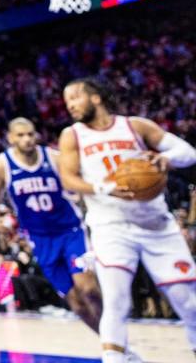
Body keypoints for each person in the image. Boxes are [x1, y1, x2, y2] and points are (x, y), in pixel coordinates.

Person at [58, 78, 196, 363]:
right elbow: (68, 179)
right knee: (116, 301)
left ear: (96, 98)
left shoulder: (135, 126)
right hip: (111, 227)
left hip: (156, 224)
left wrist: (165, 158)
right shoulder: (72, 136)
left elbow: (188, 153)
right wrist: (103, 188)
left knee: (189, 302)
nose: (70, 105)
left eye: (75, 97)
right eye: (67, 100)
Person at [0, 117, 102, 331]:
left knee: (88, 287)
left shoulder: (53, 158)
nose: (27, 139)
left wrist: (80, 196)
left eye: (31, 134)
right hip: (40, 239)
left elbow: (76, 181)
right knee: (76, 302)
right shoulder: (2, 165)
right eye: (21, 135)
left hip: (70, 231)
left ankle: (114, 338)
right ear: (11, 139)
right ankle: (106, 338)